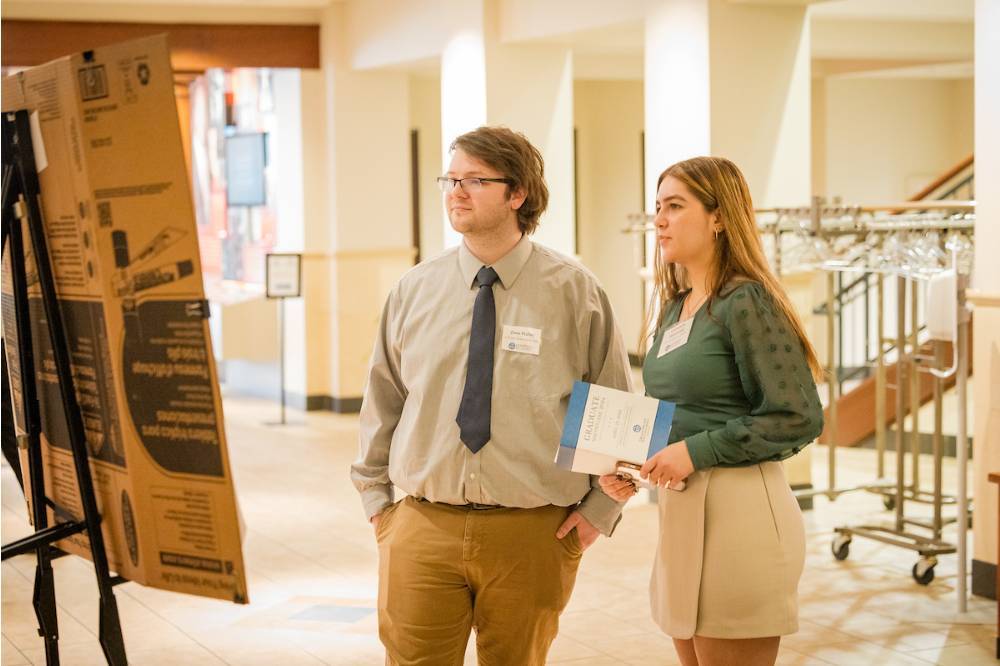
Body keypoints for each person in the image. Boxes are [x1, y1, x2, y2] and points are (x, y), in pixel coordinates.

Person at [351, 125, 632, 666]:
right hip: (421, 526)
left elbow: (614, 406)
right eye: (451, 178)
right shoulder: (415, 289)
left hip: (533, 531)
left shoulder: (575, 291)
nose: (456, 191)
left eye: (475, 180)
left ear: (517, 194)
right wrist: (377, 504)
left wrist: (599, 511)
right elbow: (383, 399)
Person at [600, 156, 824, 666]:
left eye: (675, 207)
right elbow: (681, 411)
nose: (659, 219)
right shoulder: (676, 305)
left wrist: (695, 452)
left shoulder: (747, 301)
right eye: (658, 207)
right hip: (679, 508)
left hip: (740, 511)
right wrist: (632, 466)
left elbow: (797, 415)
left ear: (720, 217)